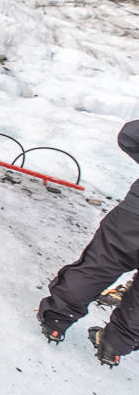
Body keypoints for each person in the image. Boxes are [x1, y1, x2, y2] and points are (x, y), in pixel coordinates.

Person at [38, 120, 139, 367]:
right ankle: (116, 345)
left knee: (100, 265)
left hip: (134, 217)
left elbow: (130, 134)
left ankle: (57, 320)